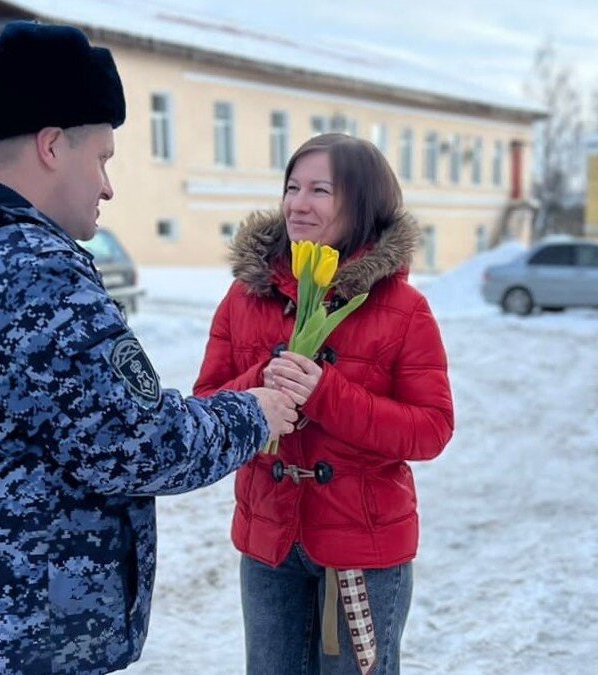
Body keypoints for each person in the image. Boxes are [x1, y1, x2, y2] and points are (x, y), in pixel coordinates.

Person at [0, 21, 297, 675]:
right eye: (102, 158)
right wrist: (256, 411)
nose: (108, 185)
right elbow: (138, 442)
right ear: (50, 146)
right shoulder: (31, 267)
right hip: (38, 631)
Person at [194, 133, 454, 674]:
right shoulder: (247, 296)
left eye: (320, 190)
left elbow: (431, 429)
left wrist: (327, 394)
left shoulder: (404, 309)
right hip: (269, 540)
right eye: (292, 187)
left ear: (361, 204)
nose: (298, 203)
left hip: (360, 548)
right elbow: (206, 405)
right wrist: (263, 380)